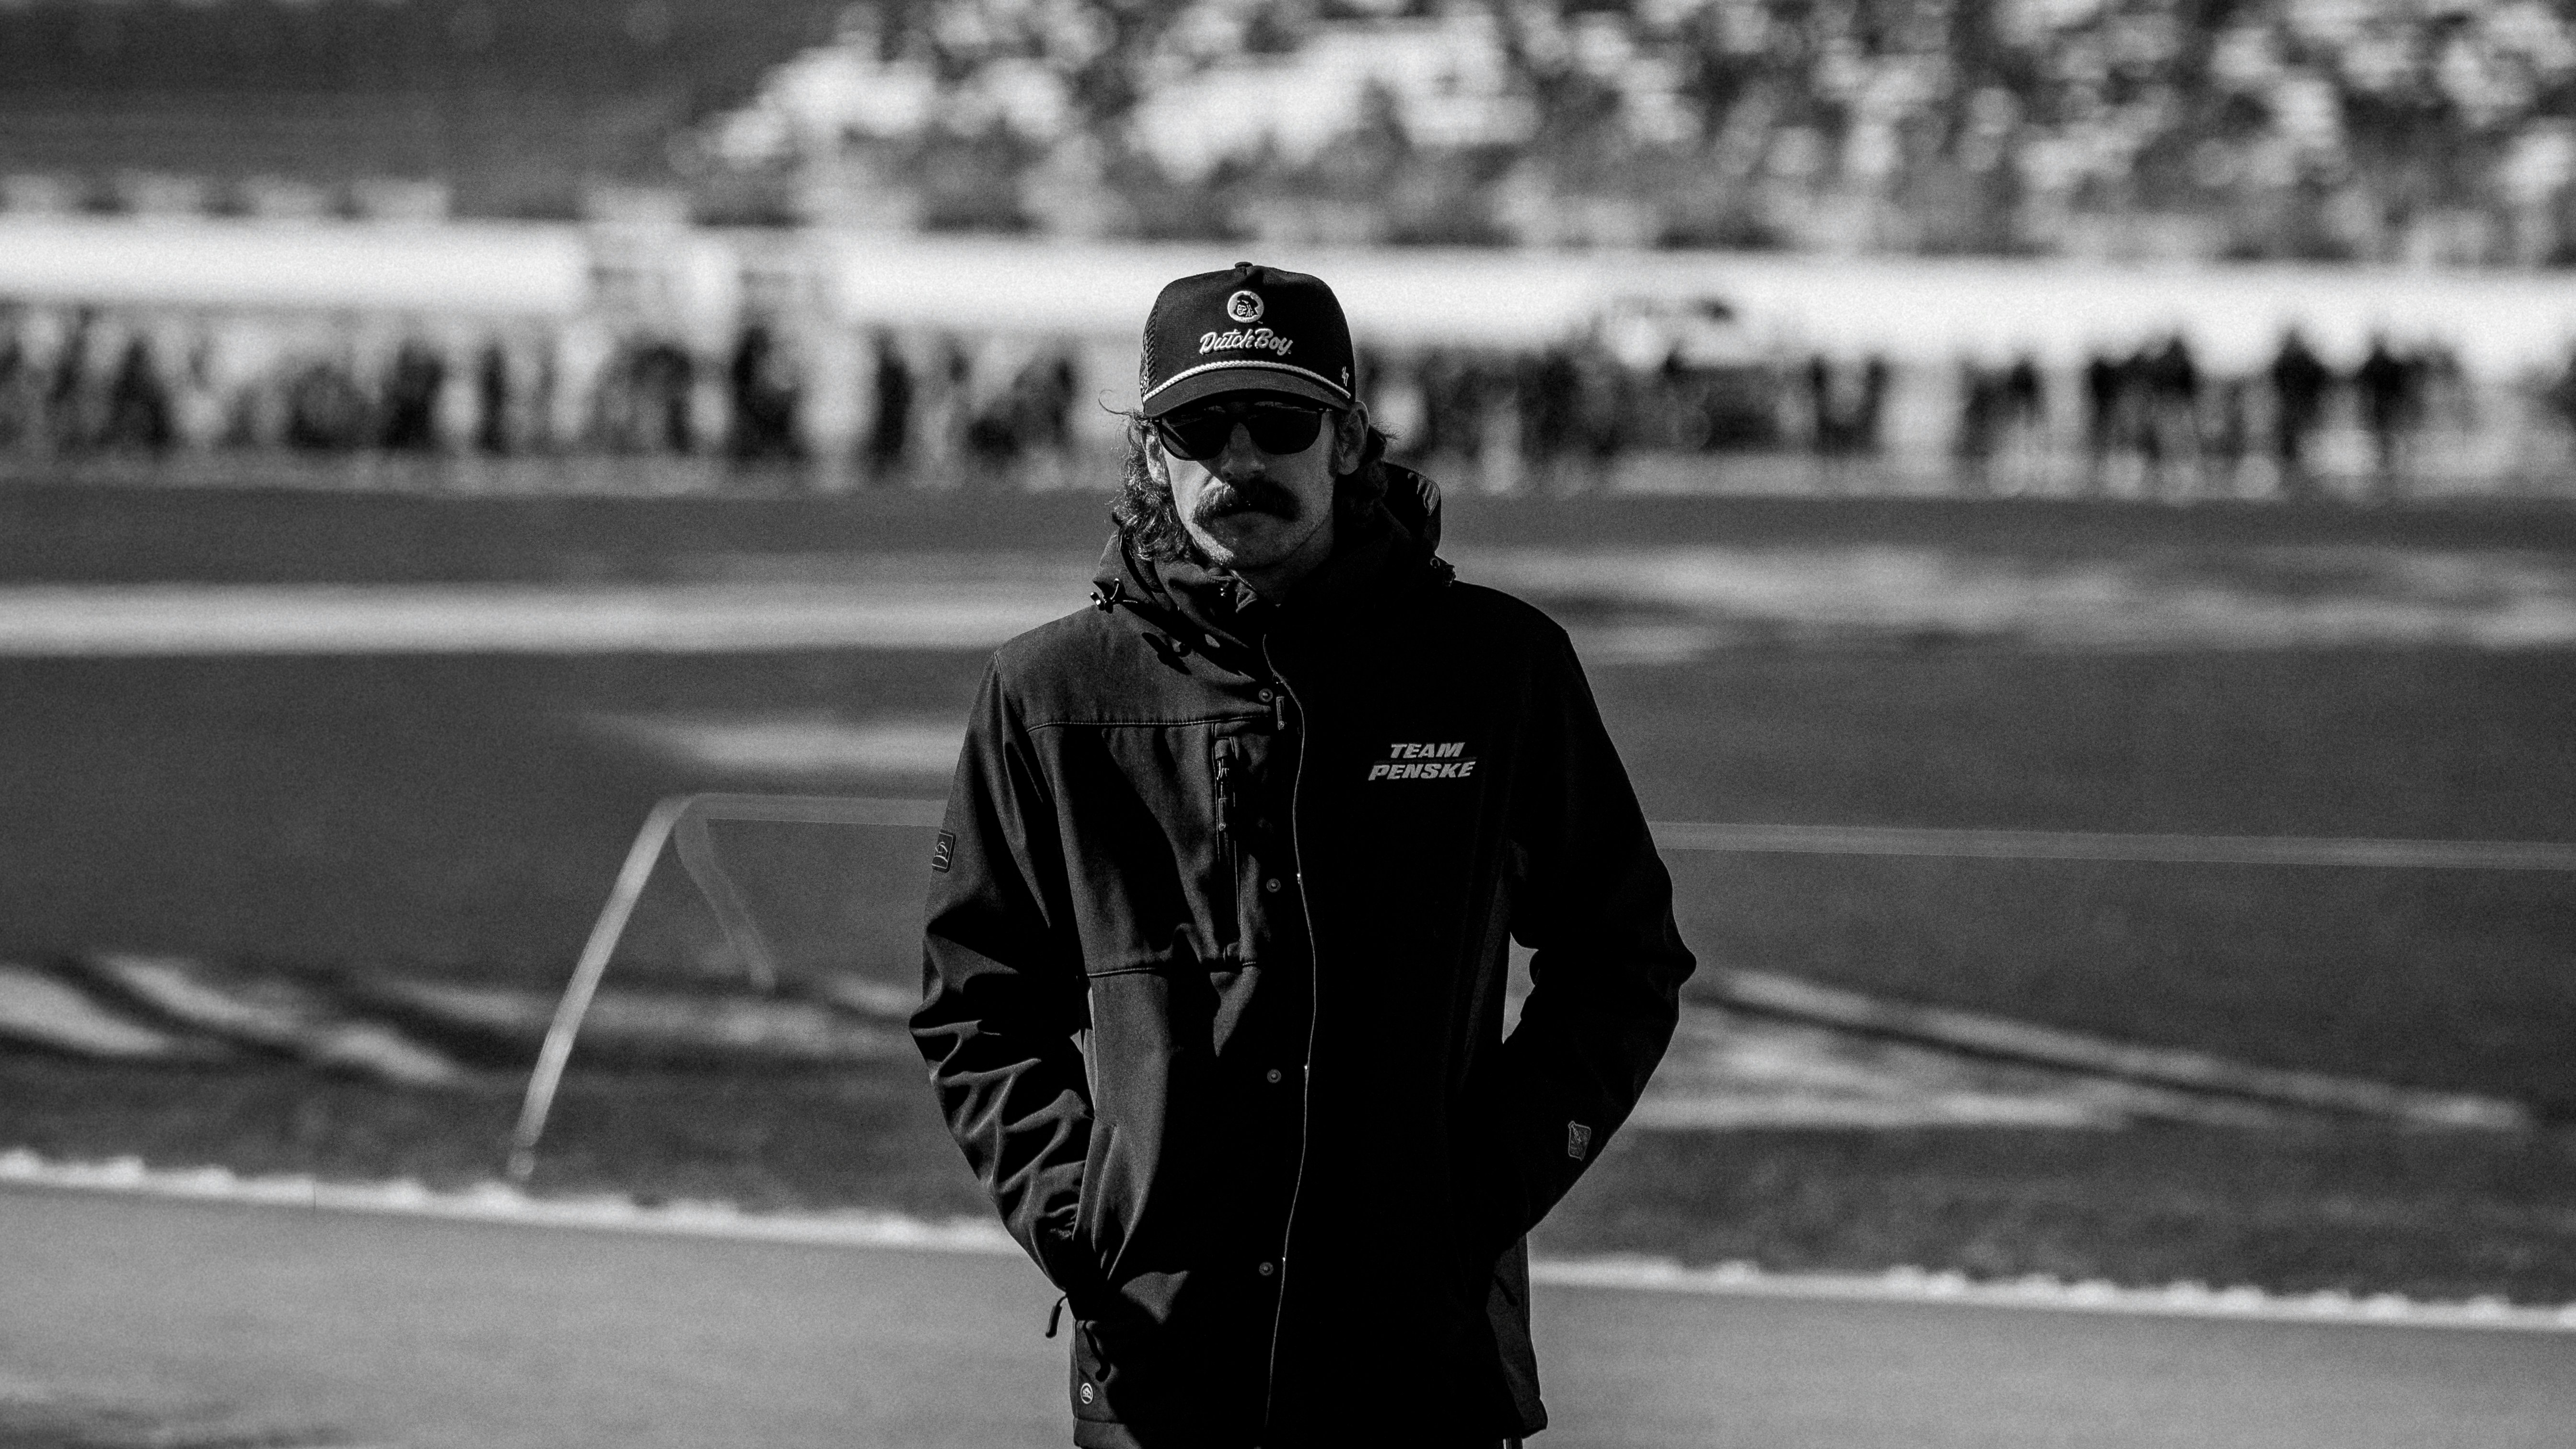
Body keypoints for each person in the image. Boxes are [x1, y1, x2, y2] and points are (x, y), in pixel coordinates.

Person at [913, 262, 1695, 1449]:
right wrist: (1082, 1218)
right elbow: (976, 1006)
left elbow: (1620, 956)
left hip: (1418, 1362)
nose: (1238, 459)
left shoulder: (1496, 668)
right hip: (1159, 1370)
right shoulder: (1049, 695)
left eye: (1278, 421)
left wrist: (1479, 1193)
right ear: (1149, 453)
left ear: (1344, 439)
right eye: (1195, 425)